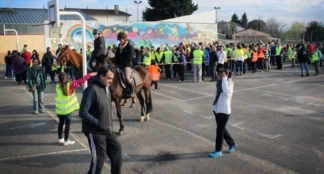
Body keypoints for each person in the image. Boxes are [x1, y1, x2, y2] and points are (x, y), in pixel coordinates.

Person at [79, 65, 122, 174]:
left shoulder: (107, 88)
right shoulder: (91, 90)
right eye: (109, 78)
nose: (111, 81)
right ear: (101, 76)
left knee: (116, 150)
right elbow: (83, 112)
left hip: (108, 130)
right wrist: (98, 123)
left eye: (112, 78)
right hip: (95, 132)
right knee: (99, 160)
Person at [56, 71, 97, 146]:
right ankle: (66, 140)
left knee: (60, 124)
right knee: (67, 125)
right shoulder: (71, 85)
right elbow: (81, 81)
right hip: (67, 110)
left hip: (60, 110)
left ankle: (60, 139)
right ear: (67, 78)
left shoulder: (57, 86)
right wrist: (89, 75)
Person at [209, 69, 237, 158]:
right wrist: (214, 107)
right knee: (222, 129)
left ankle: (218, 151)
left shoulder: (229, 85)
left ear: (226, 77)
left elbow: (226, 91)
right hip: (217, 110)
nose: (218, 76)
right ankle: (232, 143)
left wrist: (225, 78)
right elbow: (216, 96)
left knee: (219, 131)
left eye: (221, 75)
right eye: (219, 74)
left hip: (224, 111)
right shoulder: (219, 84)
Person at [115, 31, 135, 98]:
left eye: (121, 40)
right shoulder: (119, 47)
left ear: (125, 39)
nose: (120, 41)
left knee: (127, 78)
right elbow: (116, 56)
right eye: (119, 40)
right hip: (119, 65)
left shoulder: (130, 47)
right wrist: (117, 64)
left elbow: (129, 58)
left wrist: (122, 65)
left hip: (127, 65)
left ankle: (132, 91)